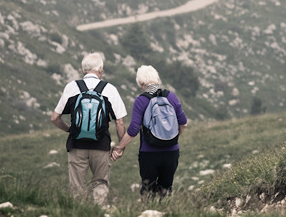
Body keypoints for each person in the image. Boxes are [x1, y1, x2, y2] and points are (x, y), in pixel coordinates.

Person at [51, 52, 127, 206]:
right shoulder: (109, 89)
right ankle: (99, 212)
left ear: (83, 70)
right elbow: (119, 122)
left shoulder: (72, 87)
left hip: (76, 144)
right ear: (100, 69)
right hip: (101, 145)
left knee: (77, 186)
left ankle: (79, 213)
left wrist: (70, 130)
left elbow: (55, 118)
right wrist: (120, 146)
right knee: (100, 182)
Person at [111, 65, 188, 199]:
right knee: (166, 189)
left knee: (148, 191)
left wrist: (119, 147)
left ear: (141, 83)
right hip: (171, 152)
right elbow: (184, 123)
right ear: (157, 79)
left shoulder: (141, 100)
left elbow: (133, 130)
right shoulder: (171, 96)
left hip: (149, 153)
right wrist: (172, 137)